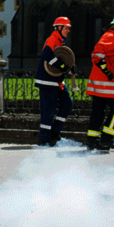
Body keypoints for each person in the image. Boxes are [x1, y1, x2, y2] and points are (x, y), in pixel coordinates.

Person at [85, 15, 114, 151]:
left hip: (99, 83)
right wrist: (107, 71)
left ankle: (93, 141)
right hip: (106, 84)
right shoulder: (110, 37)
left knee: (98, 111)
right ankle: (107, 138)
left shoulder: (110, 37)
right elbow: (96, 55)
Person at [35, 17, 74, 146]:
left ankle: (54, 133)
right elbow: (47, 55)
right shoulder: (52, 39)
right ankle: (44, 139)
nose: (68, 30)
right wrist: (62, 66)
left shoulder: (60, 41)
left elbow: (61, 58)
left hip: (56, 82)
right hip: (47, 81)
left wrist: (70, 66)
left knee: (67, 103)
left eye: (68, 28)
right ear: (59, 27)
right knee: (48, 111)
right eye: (66, 27)